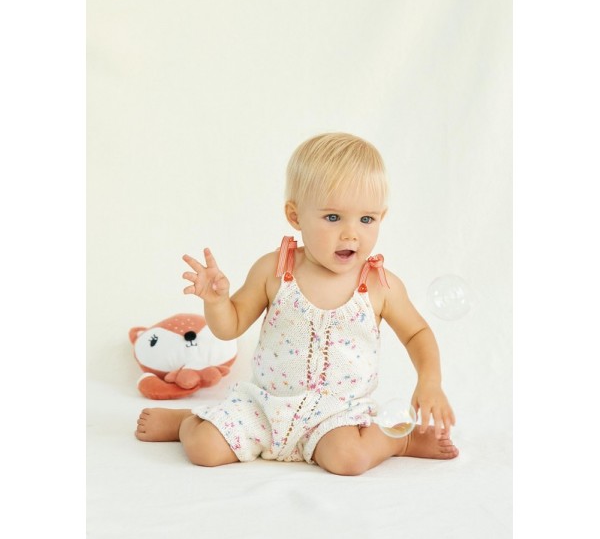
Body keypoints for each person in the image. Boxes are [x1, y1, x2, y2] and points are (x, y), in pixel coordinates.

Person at [135, 132, 459, 475]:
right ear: (295, 215)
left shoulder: (381, 285)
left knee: (349, 460)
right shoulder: (274, 270)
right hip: (264, 406)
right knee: (204, 449)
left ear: (382, 216)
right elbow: (230, 327)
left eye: (367, 219)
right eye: (333, 217)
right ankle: (190, 422)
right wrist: (217, 302)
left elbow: (417, 333)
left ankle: (399, 440)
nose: (351, 233)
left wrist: (430, 382)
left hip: (336, 414)